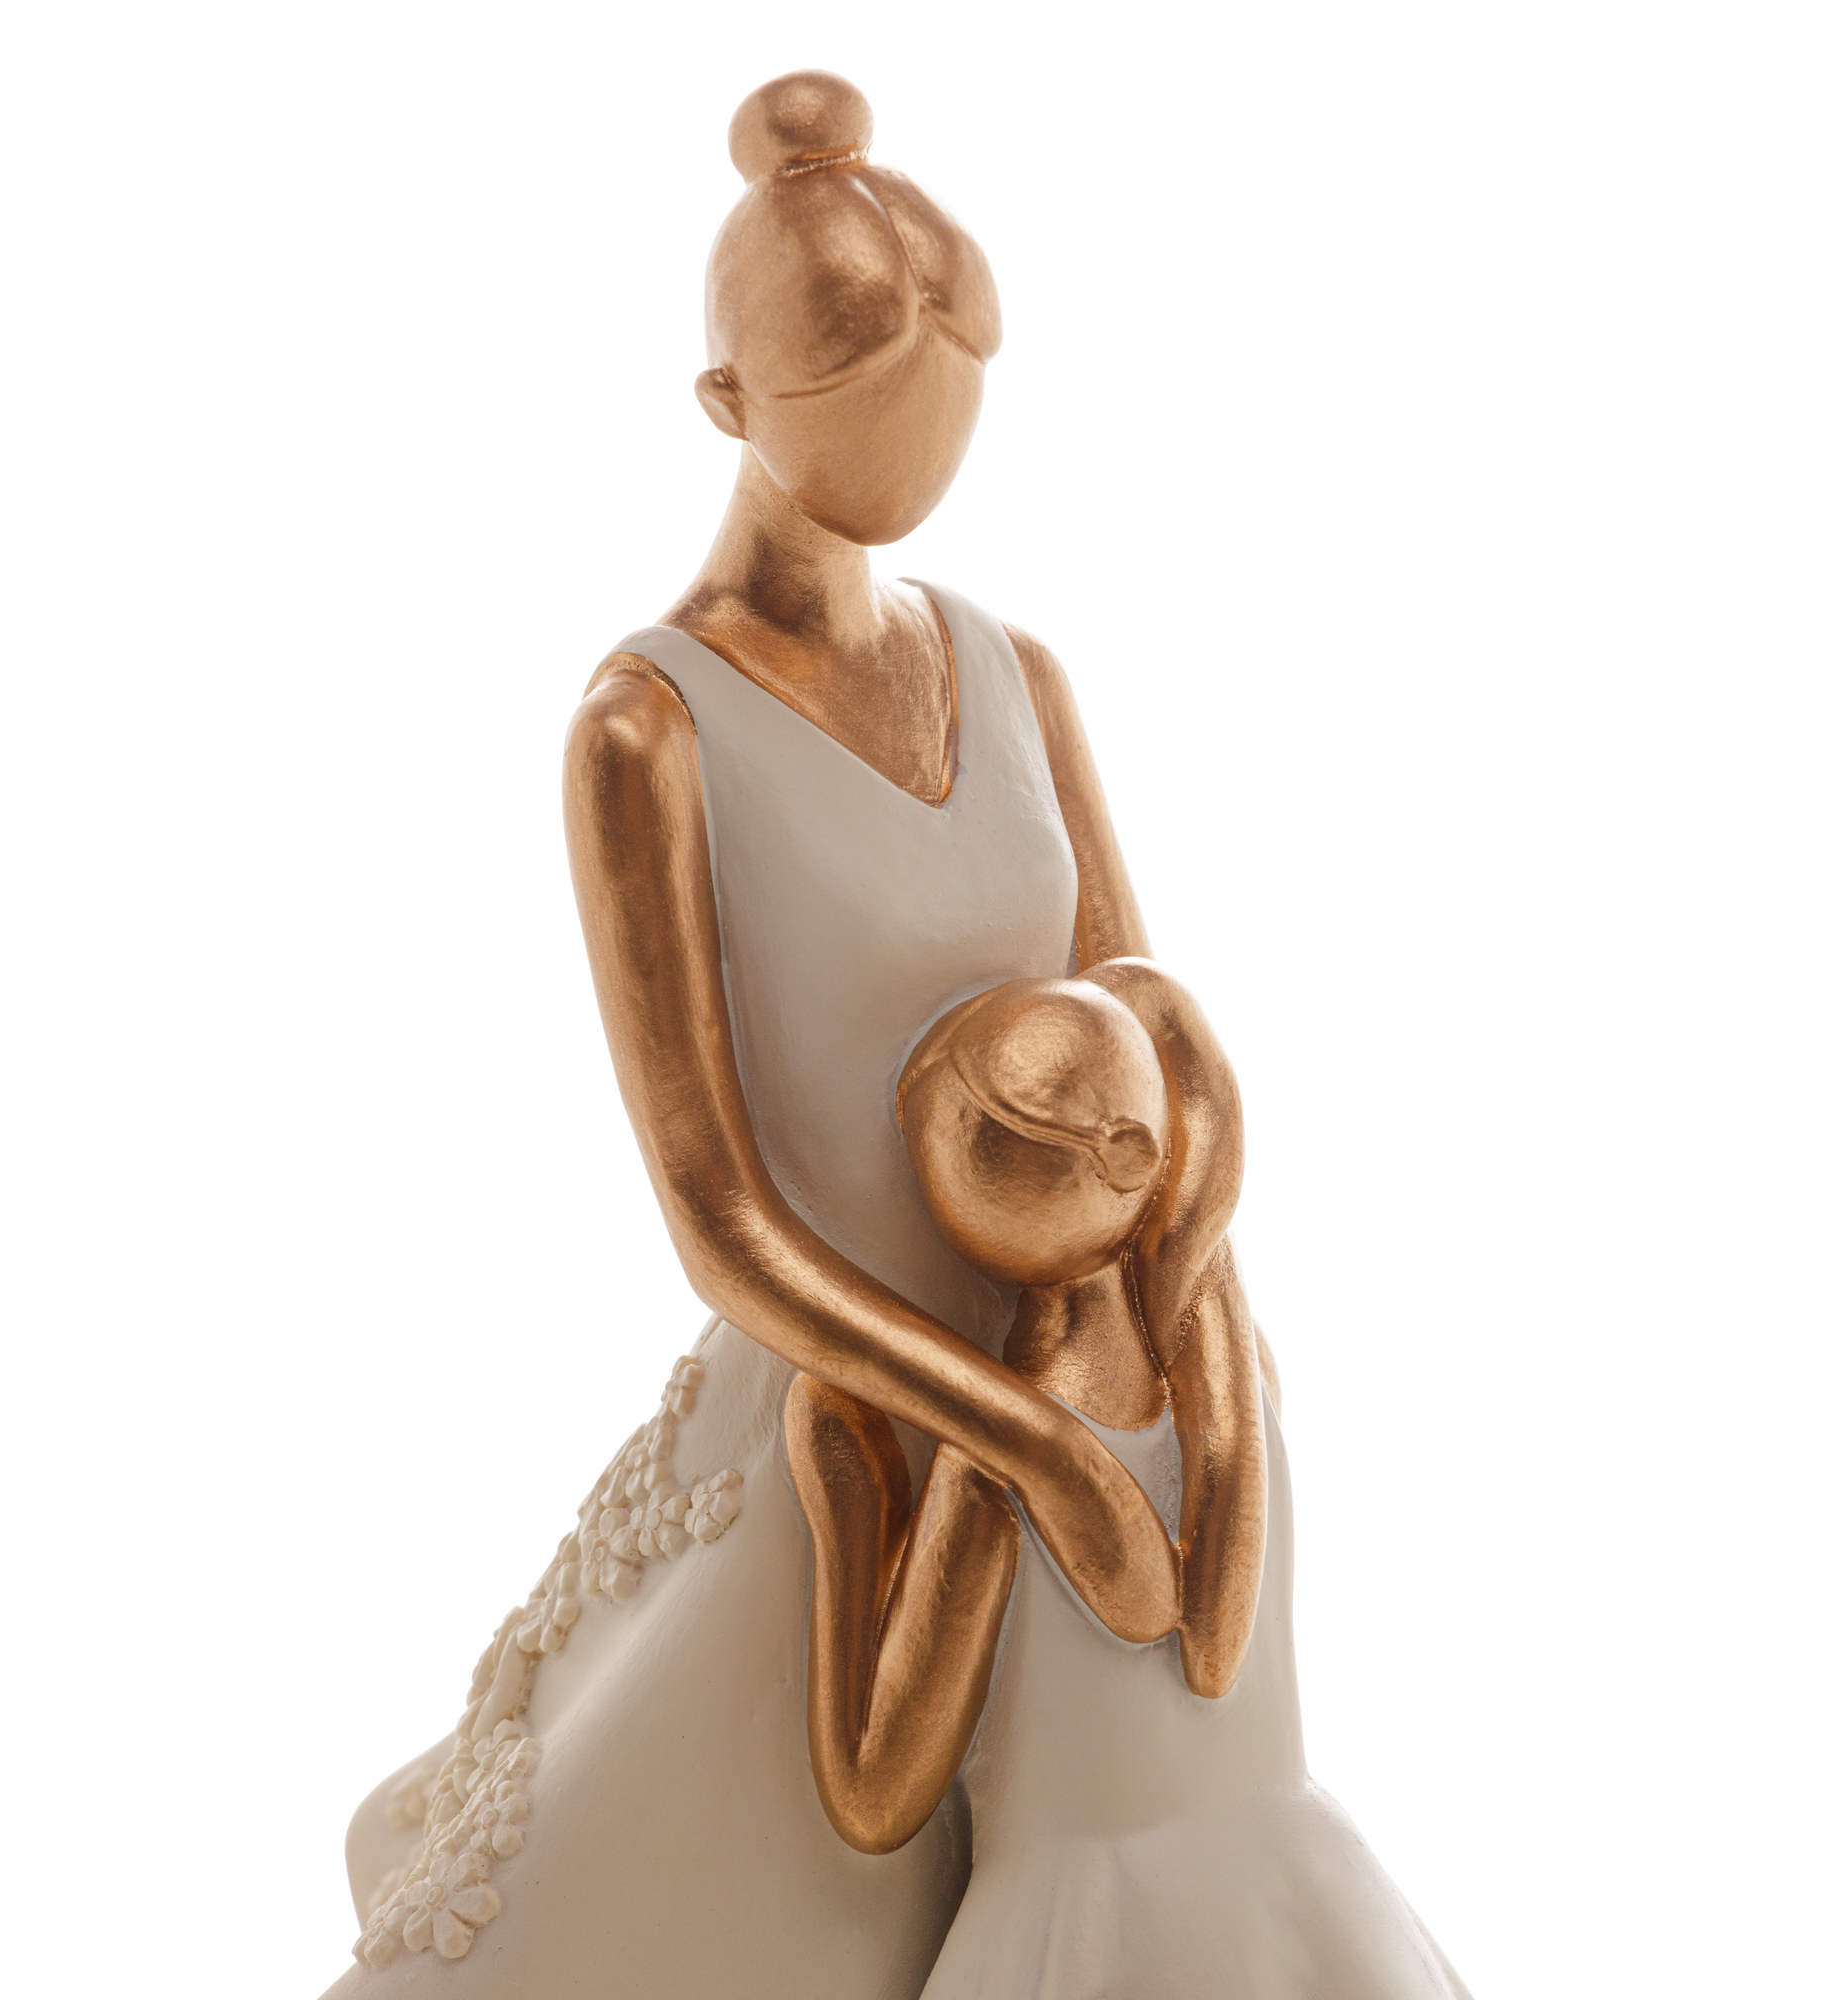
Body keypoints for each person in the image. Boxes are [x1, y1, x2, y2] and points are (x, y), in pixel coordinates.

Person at [323, 71, 1178, 1998]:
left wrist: (1165, 1331)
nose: (921, 450)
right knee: (724, 1878)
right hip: (851, 1419)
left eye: (954, 398)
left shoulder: (1016, 674)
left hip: (1073, 1359)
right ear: (728, 403)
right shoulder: (650, 730)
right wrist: (1013, 1437)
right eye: (865, 398)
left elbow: (1140, 1022)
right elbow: (718, 1216)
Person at [788, 971, 1473, 1997]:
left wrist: (847, 1494)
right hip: (1294, 1885)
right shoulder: (1242, 1377)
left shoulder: (989, 1476)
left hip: (1085, 1928)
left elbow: (874, 1792)